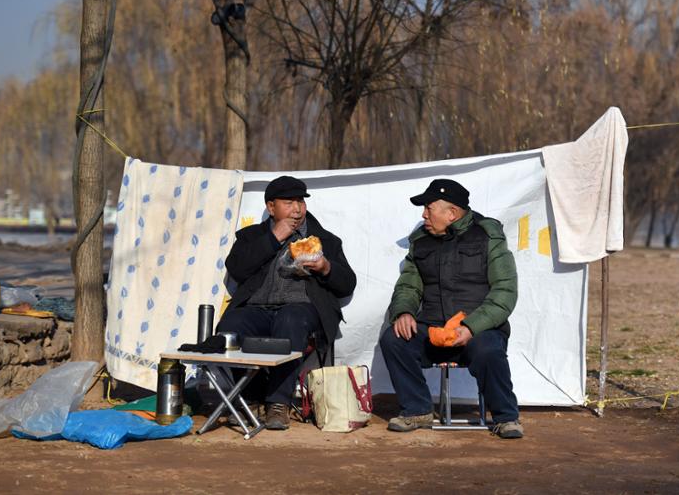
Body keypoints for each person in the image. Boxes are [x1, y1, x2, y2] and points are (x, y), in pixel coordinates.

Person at [379, 178, 523, 439]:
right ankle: (417, 410)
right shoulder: (421, 241)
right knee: (394, 339)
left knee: (488, 350)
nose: (423, 215)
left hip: (479, 328)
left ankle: (506, 417)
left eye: (428, 208)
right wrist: (404, 312)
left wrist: (471, 327)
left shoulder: (488, 236)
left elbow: (505, 291)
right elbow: (408, 286)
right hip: (433, 327)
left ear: (452, 213)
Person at [218, 175, 356, 430]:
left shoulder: (324, 240)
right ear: (271, 207)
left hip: (301, 309)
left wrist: (326, 267)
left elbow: (347, 284)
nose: (297, 209)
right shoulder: (250, 236)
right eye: (289, 202)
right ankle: (252, 396)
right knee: (230, 325)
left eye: (300, 202)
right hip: (257, 309)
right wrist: (274, 238)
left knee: (290, 319)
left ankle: (278, 402)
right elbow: (237, 269)